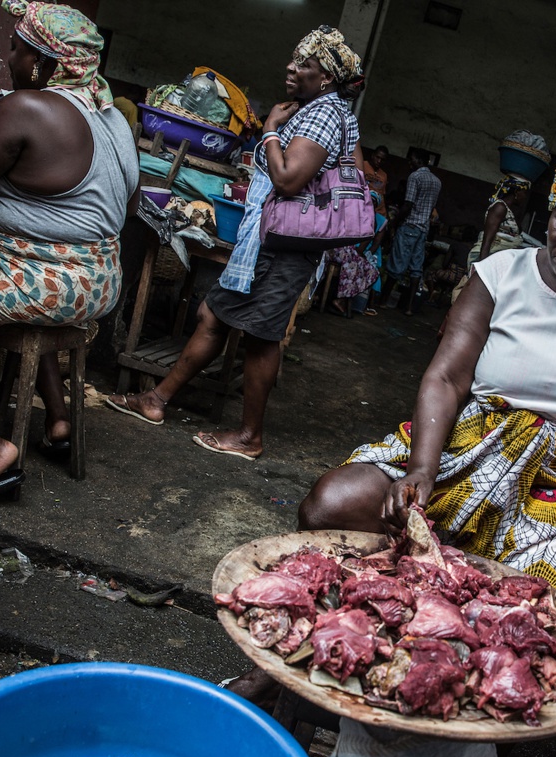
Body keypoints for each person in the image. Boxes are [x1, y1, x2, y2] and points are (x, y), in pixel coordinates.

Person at [298, 135, 556, 757]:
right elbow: (447, 377)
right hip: (463, 444)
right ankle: (331, 653)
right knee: (335, 504)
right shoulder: (501, 273)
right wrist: (423, 466)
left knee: (531, 617)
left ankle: (464, 723)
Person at [106, 25, 365, 461]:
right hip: (270, 242)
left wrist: (268, 130)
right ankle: (156, 400)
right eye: (294, 58)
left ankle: (250, 437)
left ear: (326, 78)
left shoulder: (322, 114)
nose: (291, 66)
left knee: (262, 337)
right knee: (213, 313)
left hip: (285, 245)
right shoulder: (327, 110)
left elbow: (287, 180)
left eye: (304, 63)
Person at [0, 1, 139, 504]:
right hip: (99, 280)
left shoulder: (26, 108)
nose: (11, 62)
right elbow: (124, 207)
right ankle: (59, 417)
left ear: (43, 63)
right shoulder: (113, 118)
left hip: (48, 282)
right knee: (8, 267)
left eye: (17, 51)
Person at [450, 174, 531, 304]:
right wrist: (483, 268)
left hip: (494, 258)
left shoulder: (507, 210)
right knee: (475, 298)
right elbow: (488, 238)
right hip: (487, 257)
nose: (524, 197)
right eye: (524, 193)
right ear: (516, 191)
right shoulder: (499, 208)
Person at [382, 149, 442, 316]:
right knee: (416, 268)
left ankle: (383, 301)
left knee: (396, 265)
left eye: (411, 160)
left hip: (409, 226)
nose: (409, 163)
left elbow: (408, 205)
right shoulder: (437, 181)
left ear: (419, 160)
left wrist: (394, 222)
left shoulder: (415, 177)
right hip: (423, 229)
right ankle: (408, 307)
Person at [361, 145, 389, 218]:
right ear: (373, 155)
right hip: (362, 207)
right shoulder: (362, 165)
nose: (379, 161)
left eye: (382, 159)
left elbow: (382, 194)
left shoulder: (384, 175)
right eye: (377, 157)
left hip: (378, 212)